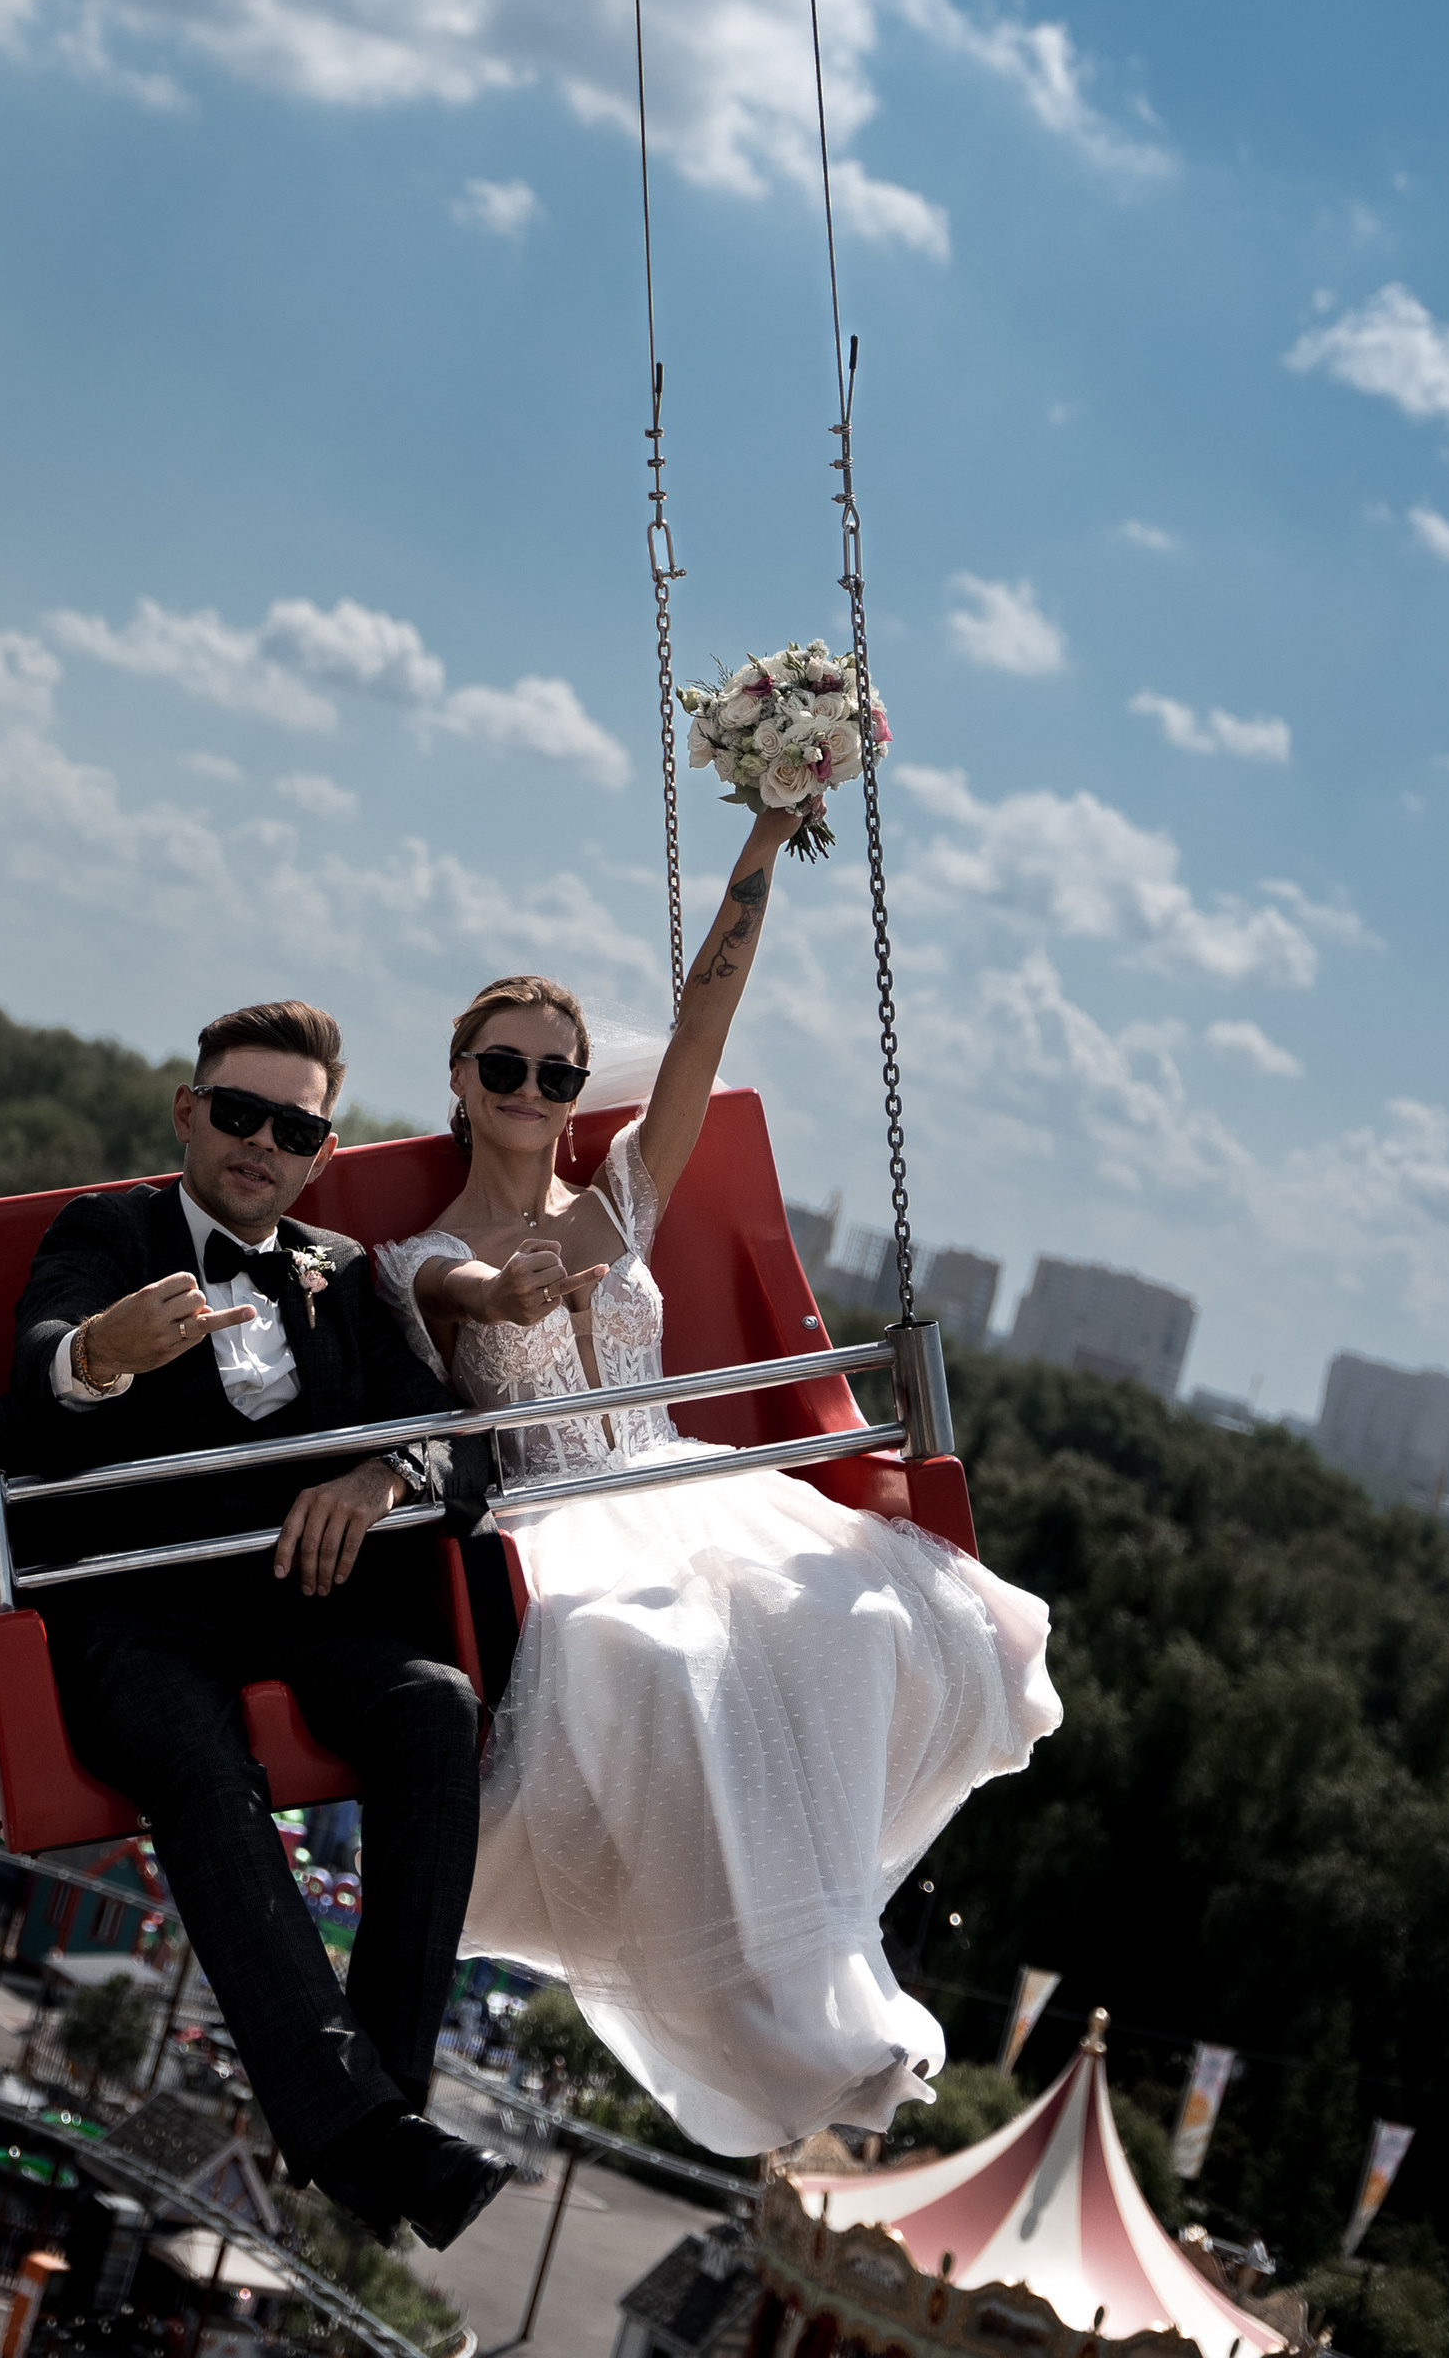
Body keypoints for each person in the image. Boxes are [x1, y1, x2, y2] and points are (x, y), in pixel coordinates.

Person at [374, 807, 1063, 2159]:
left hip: (677, 1478)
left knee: (854, 1615)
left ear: (578, 1090)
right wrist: (489, 1285)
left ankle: (815, 1983)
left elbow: (701, 1031)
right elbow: (452, 1291)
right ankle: (764, 2016)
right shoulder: (417, 1256)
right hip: (548, 1511)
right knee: (652, 1654)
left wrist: (759, 843)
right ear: (458, 1077)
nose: (529, 1088)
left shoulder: (615, 1203)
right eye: (502, 1065)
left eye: (554, 1072)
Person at [0, 999, 510, 2256]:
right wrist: (102, 1354)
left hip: (301, 1602)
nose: (260, 1144)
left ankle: (375, 2121)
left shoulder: (341, 1273)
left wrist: (376, 1481)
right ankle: (367, 2138)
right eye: (236, 1113)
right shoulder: (111, 1230)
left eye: (292, 1127)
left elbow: (441, 1432)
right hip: (138, 1613)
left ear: (321, 1153)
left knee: (434, 1710)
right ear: (188, 1114)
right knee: (198, 1770)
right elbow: (42, 1360)